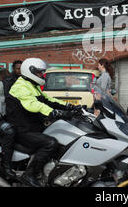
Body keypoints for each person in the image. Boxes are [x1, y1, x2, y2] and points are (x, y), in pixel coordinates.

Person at [5, 57, 77, 187]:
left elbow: (48, 100)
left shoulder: (32, 85)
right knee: (51, 143)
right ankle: (29, 174)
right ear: (30, 71)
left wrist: (69, 106)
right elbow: (34, 105)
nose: (42, 75)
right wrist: (54, 113)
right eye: (39, 72)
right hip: (21, 129)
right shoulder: (20, 87)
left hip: (32, 126)